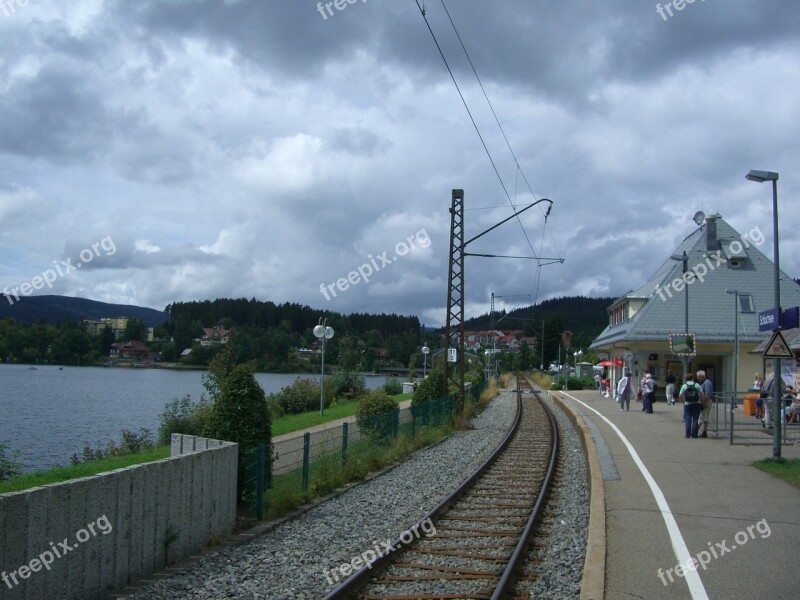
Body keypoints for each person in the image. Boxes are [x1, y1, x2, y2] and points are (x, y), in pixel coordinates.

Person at [680, 372, 702, 438]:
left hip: (687, 404)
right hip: (696, 403)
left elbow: (680, 395)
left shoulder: (684, 386)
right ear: (692, 378)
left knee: (688, 419)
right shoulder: (697, 385)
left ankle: (687, 434)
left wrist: (683, 401)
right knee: (695, 419)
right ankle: (695, 434)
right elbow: (702, 394)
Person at [697, 370, 713, 437]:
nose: (698, 378)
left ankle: (700, 431)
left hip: (706, 402)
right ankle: (702, 431)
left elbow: (707, 394)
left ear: (702, 376)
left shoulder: (707, 383)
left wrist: (703, 404)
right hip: (704, 401)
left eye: (699, 377)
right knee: (703, 417)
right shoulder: (705, 382)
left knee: (703, 417)